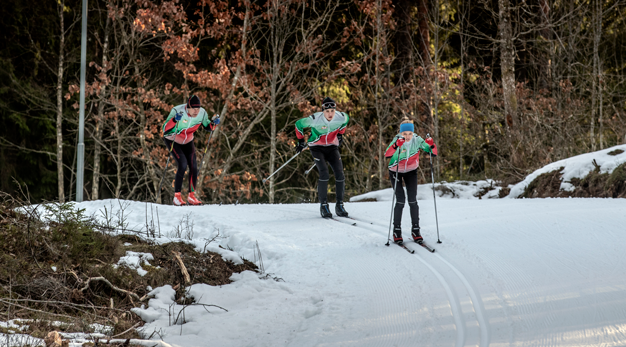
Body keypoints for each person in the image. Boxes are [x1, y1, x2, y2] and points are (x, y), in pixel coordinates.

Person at [384, 117, 437, 244]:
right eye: (404, 134)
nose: (407, 136)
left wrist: (431, 144)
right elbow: (387, 154)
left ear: (413, 133)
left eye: (409, 133)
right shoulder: (397, 140)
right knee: (401, 200)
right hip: (395, 171)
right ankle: (397, 230)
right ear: (400, 133)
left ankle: (416, 230)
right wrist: (397, 145)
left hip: (411, 171)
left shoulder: (417, 140)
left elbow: (432, 153)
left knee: (413, 200)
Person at [295, 97, 350, 218]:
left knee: (340, 174)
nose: (330, 114)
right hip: (316, 147)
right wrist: (300, 141)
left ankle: (339, 205)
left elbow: (345, 122)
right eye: (327, 111)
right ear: (323, 111)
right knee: (324, 173)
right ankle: (324, 206)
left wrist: (340, 135)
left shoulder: (341, 117)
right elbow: (298, 124)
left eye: (332, 111)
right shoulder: (315, 119)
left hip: (332, 147)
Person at [162, 95, 220, 206]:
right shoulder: (177, 110)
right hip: (172, 139)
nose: (196, 111)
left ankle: (191, 196)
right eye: (193, 108)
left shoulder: (202, 113)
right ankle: (177, 197)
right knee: (182, 164)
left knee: (193, 166)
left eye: (198, 108)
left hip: (188, 140)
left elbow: (208, 127)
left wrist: (214, 123)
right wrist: (174, 120)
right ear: (187, 107)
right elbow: (165, 129)